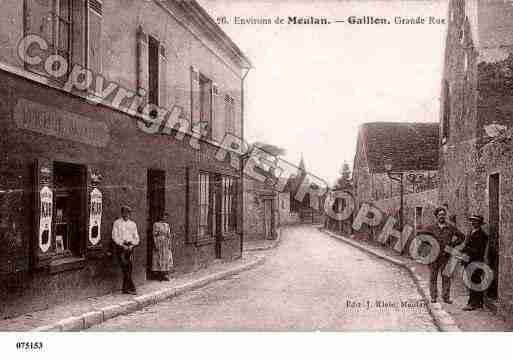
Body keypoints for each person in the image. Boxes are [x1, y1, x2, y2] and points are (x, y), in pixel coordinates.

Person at [424, 206, 465, 304]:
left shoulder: (450, 227)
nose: (442, 217)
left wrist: (452, 245)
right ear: (436, 216)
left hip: (446, 256)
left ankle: (446, 297)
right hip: (433, 257)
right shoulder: (430, 228)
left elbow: (462, 236)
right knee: (433, 277)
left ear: (445, 216)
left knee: (446, 277)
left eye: (443, 215)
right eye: (439, 215)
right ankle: (433, 296)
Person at [461, 214, 489, 311]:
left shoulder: (482, 235)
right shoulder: (471, 232)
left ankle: (472, 303)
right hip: (469, 260)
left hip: (476, 261)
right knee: (473, 281)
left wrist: (465, 249)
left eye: (475, 221)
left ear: (480, 223)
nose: (473, 222)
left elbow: (477, 250)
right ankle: (478, 302)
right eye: (472, 221)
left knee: (474, 281)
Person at [112, 205, 140, 295]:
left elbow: (136, 238)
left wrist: (133, 245)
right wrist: (122, 245)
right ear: (122, 213)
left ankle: (125, 289)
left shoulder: (133, 224)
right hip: (121, 247)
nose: (126, 214)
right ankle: (132, 287)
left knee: (129, 267)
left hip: (130, 247)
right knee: (124, 267)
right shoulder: (117, 223)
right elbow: (114, 236)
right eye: (124, 212)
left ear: (130, 214)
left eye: (128, 213)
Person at [152, 212, 174, 281]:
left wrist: (170, 243)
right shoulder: (156, 224)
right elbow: (154, 235)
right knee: (158, 258)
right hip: (159, 242)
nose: (165, 218)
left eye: (166, 217)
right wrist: (156, 243)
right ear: (160, 217)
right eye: (164, 216)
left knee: (166, 258)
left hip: (166, 243)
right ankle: (159, 275)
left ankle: (164, 274)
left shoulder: (167, 225)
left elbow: (168, 235)